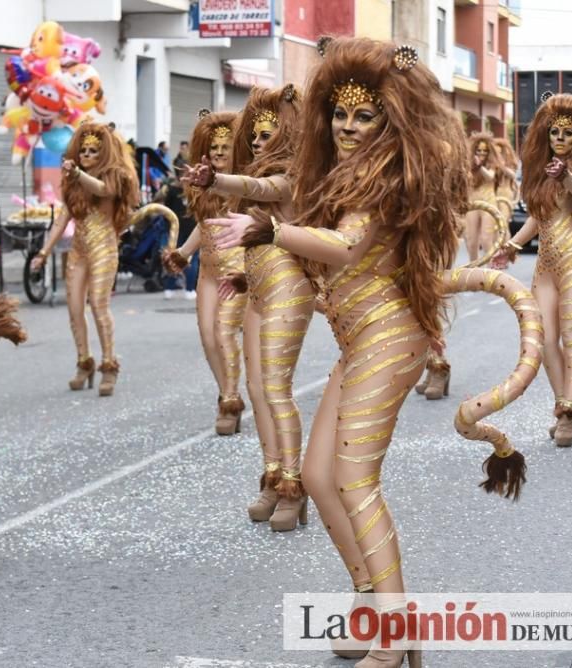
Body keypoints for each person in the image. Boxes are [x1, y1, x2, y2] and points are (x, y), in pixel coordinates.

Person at [216, 38, 539, 665]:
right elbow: (299, 223)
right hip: (359, 340)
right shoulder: (334, 172)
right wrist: (247, 227)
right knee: (314, 475)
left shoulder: (384, 176)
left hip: (389, 342)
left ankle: (395, 635)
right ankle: (371, 602)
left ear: (390, 121)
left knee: (355, 481)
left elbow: (345, 246)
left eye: (365, 116)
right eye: (340, 113)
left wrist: (270, 230)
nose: (348, 125)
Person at [185, 85, 312, 531]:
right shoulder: (255, 179)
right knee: (258, 391)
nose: (257, 143)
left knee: (276, 389)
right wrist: (245, 276)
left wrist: (216, 180)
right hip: (257, 289)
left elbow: (263, 187)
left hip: (290, 290)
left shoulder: (292, 175)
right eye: (254, 137)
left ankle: (295, 486)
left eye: (266, 135)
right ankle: (273, 478)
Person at [492, 92, 572, 447]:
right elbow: (537, 217)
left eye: (568, 133)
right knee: (543, 340)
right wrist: (513, 246)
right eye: (554, 133)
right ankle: (565, 406)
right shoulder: (543, 172)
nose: (560, 140)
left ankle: (569, 411)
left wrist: (565, 176)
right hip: (544, 268)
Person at [30, 122, 139, 396]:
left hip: (104, 247)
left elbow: (103, 191)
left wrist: (77, 173)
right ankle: (84, 361)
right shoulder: (74, 183)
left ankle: (109, 364)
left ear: (103, 153)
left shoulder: (114, 176)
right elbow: (61, 220)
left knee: (99, 307)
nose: (87, 155)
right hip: (78, 250)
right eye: (84, 150)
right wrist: (43, 252)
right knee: (75, 308)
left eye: (93, 151)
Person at [163, 110, 247, 436]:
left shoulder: (245, 182)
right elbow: (204, 223)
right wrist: (184, 253)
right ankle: (228, 393)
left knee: (224, 332)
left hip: (236, 269)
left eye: (226, 146)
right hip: (208, 270)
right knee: (207, 335)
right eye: (214, 146)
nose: (220, 151)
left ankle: (229, 399)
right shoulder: (203, 182)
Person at [464, 133, 501, 262]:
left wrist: (480, 166)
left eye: (485, 150)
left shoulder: (492, 164)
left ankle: (490, 272)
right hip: (473, 204)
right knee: (471, 240)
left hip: (489, 204)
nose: (482, 153)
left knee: (486, 239)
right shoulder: (469, 165)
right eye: (479, 150)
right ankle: (473, 269)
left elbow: (490, 176)